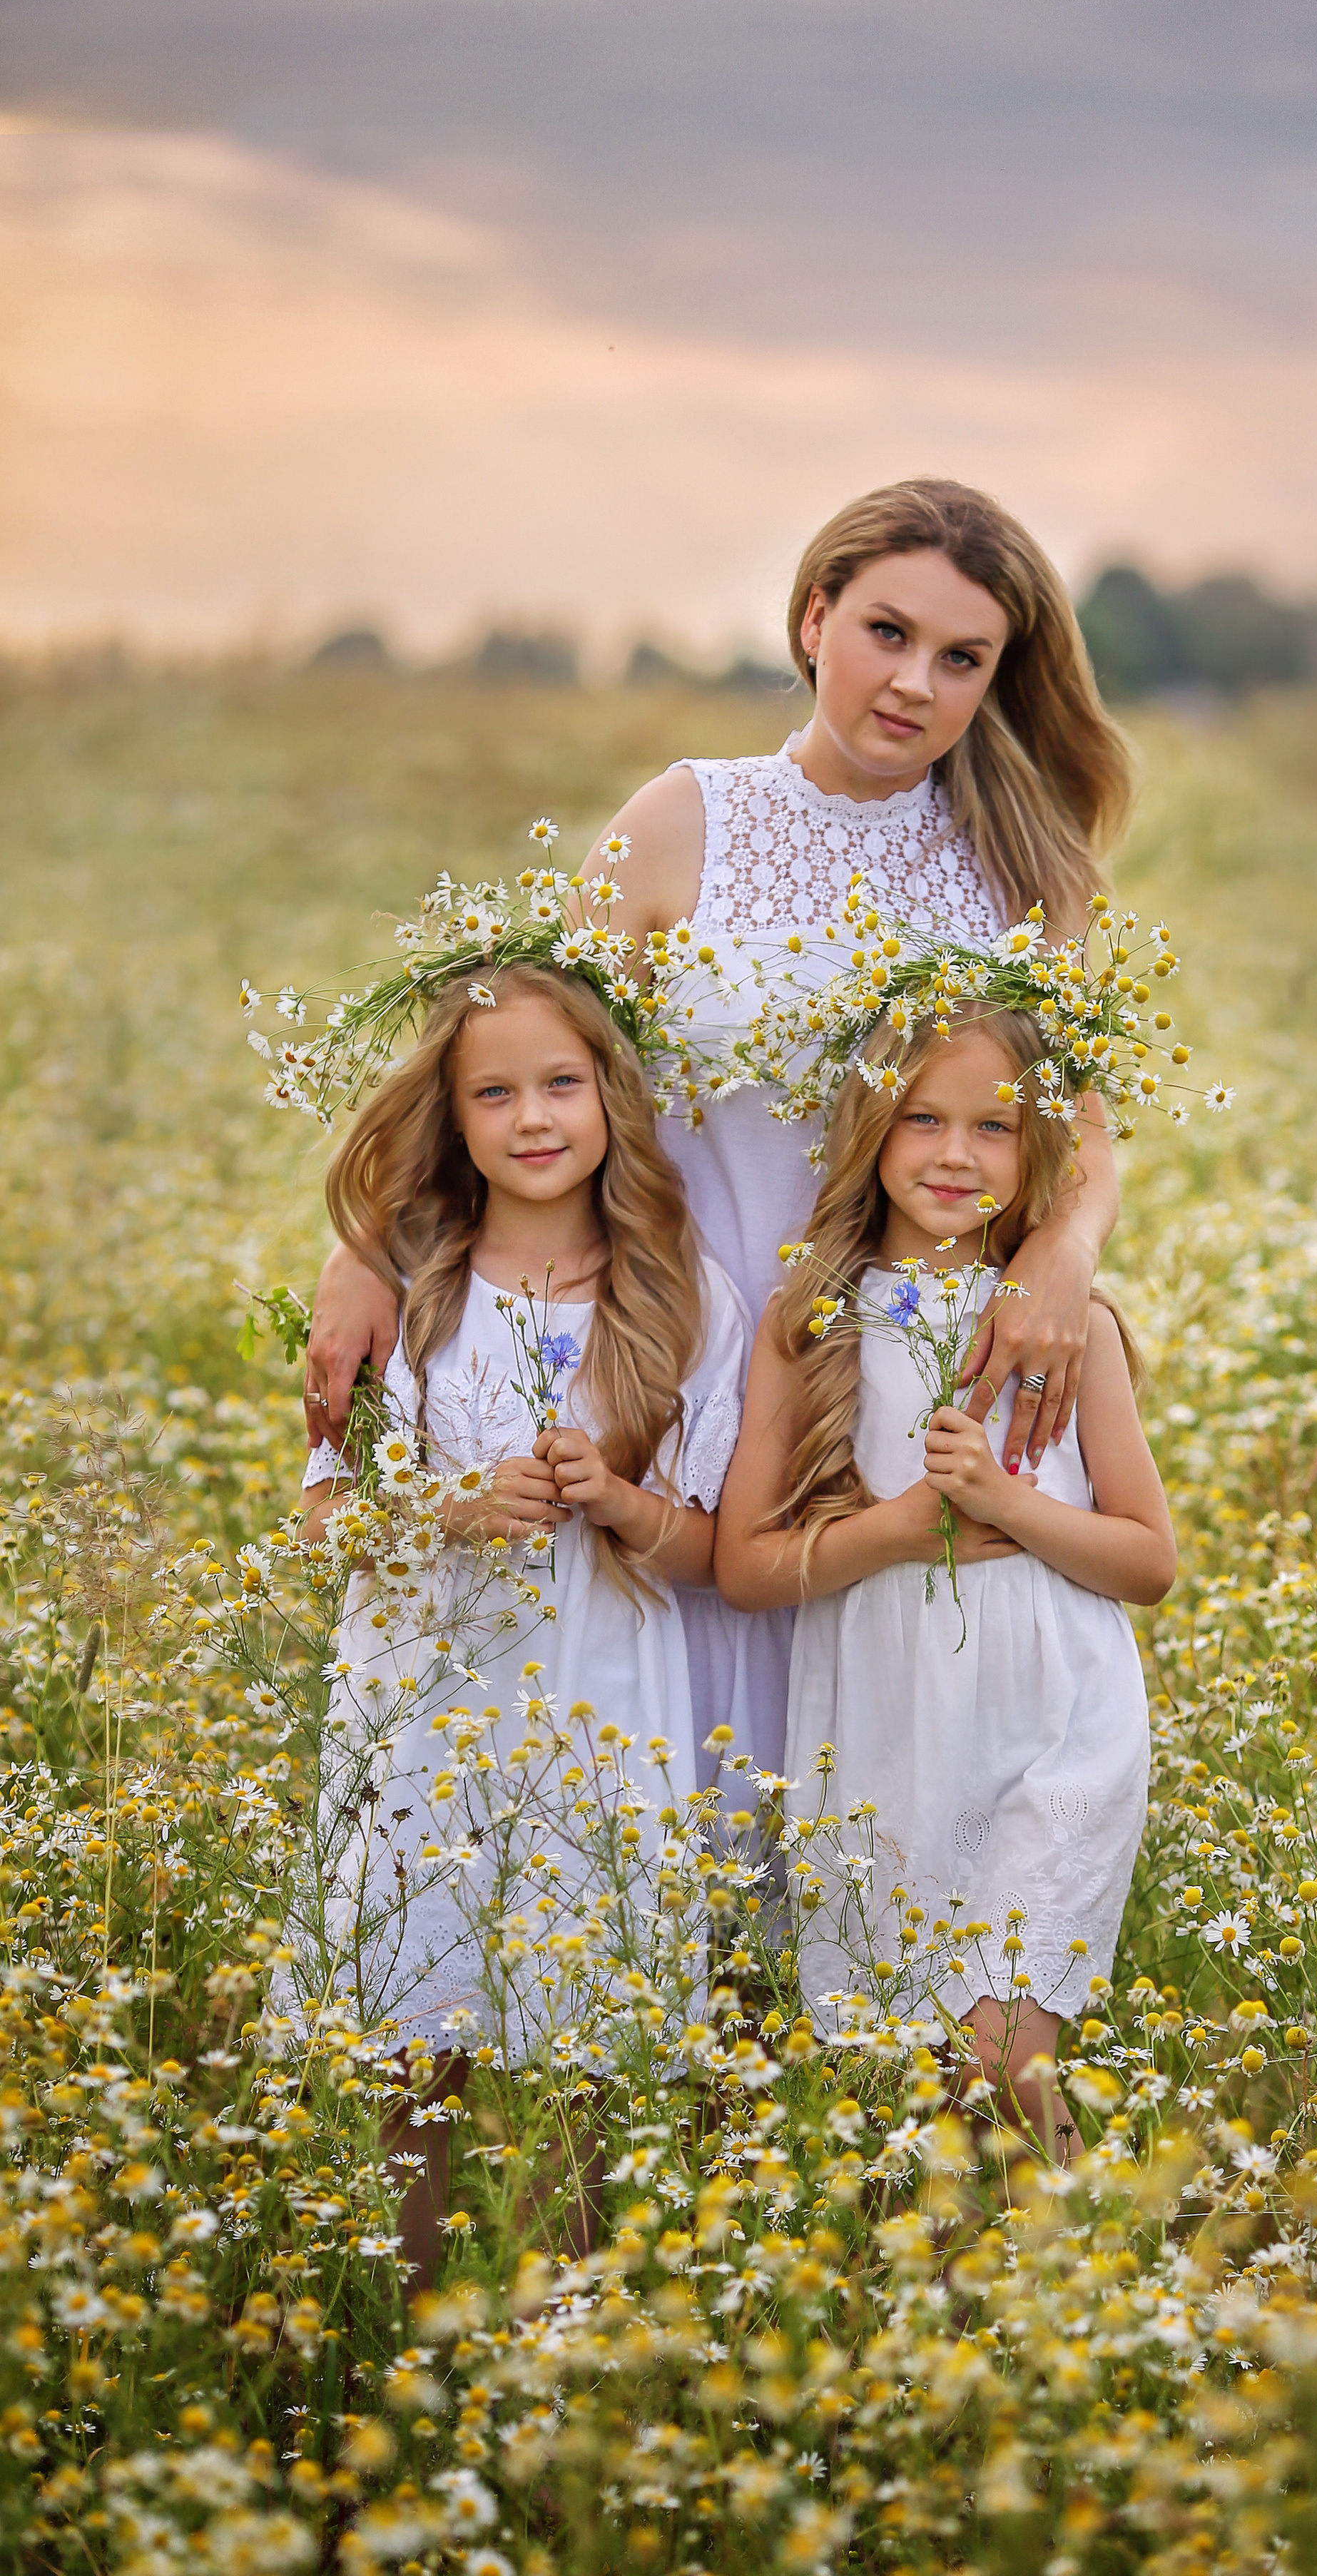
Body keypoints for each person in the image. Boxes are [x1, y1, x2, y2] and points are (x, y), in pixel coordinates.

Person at [303, 477, 1135, 1792]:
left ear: (995, 678)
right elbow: (509, 1046)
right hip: (677, 1354)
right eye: (885, 632)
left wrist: (1064, 1263)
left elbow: (1076, 1139)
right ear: (814, 619)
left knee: (888, 1783)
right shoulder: (685, 820)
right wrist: (366, 1250)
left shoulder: (1023, 876)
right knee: (667, 1772)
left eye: (961, 658)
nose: (915, 681)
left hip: (888, 1372)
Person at [293, 964, 748, 2294]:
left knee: (580, 2061)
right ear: (449, 1115)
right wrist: (446, 1505)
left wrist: (617, 1501)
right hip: (424, 1711)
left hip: (603, 1703)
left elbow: (717, 1550)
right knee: (414, 2054)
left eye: (563, 1083)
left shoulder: (684, 1297)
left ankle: (559, 2357)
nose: (532, 1117)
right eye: (493, 1092)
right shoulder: (407, 1293)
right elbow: (318, 1522)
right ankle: (416, 2332)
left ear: (615, 1095)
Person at [713, 1007, 1175, 2159]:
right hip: (886, 1738)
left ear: (1042, 1158)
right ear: (869, 1128)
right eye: (922, 1118)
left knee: (1001, 2053)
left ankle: (1093, 2294)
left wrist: (1009, 1503)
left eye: (995, 1128)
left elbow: (1149, 1560)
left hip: (1057, 1721)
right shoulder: (807, 1325)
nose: (956, 1154)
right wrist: (902, 1529)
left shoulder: (1068, 1334)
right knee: (922, 2092)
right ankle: (977, 2320)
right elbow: (746, 1569)